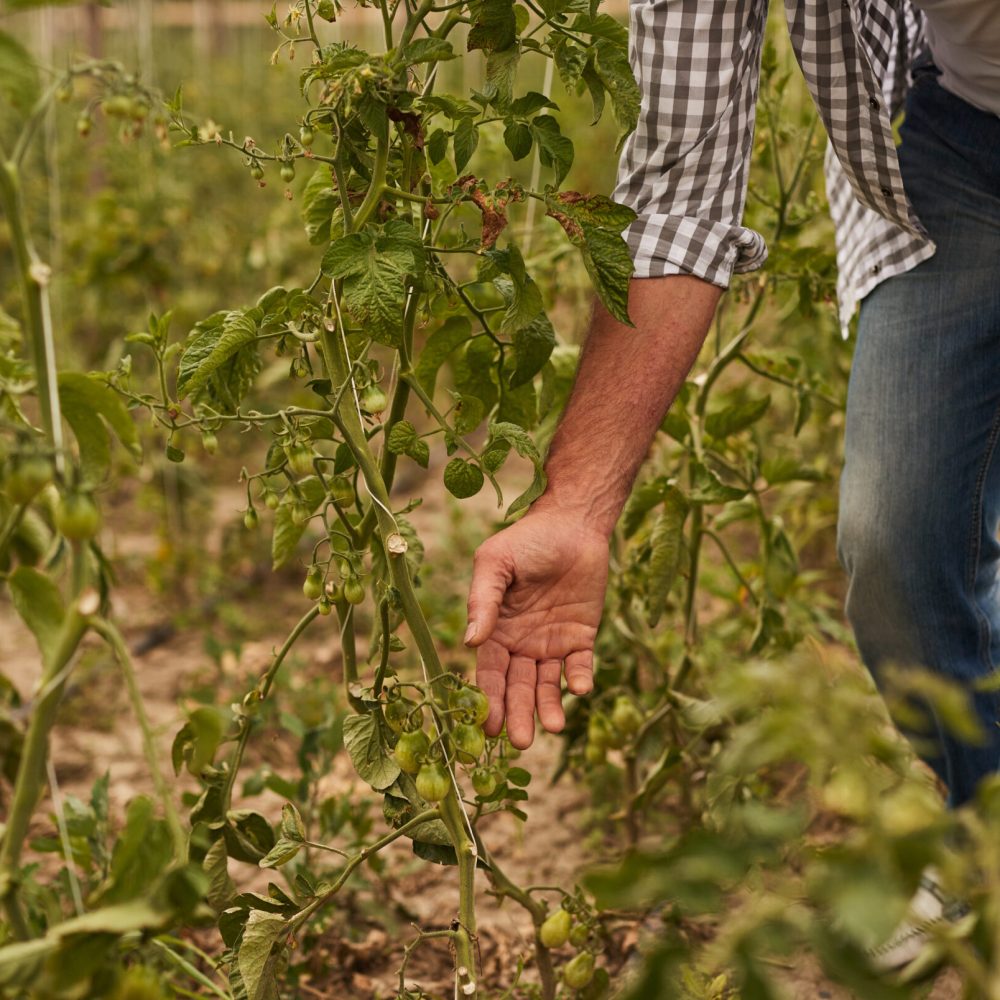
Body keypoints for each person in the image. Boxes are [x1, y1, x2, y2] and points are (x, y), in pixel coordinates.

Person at [463, 0, 999, 970]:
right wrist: (576, 506)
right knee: (898, 546)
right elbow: (682, 197)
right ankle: (986, 840)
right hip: (964, 151)